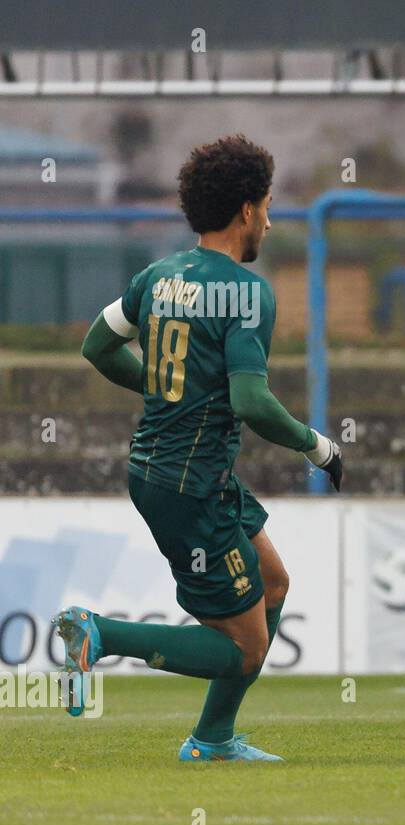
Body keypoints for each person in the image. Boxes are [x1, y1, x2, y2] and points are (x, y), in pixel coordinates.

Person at [57, 134, 343, 761]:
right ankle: (98, 633)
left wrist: (167, 390)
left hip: (184, 472)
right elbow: (251, 403)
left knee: (272, 583)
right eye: (266, 205)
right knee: (245, 648)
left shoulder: (157, 278)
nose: (269, 218)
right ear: (246, 210)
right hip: (186, 485)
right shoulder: (248, 293)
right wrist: (316, 446)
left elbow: (97, 348)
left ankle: (213, 739)